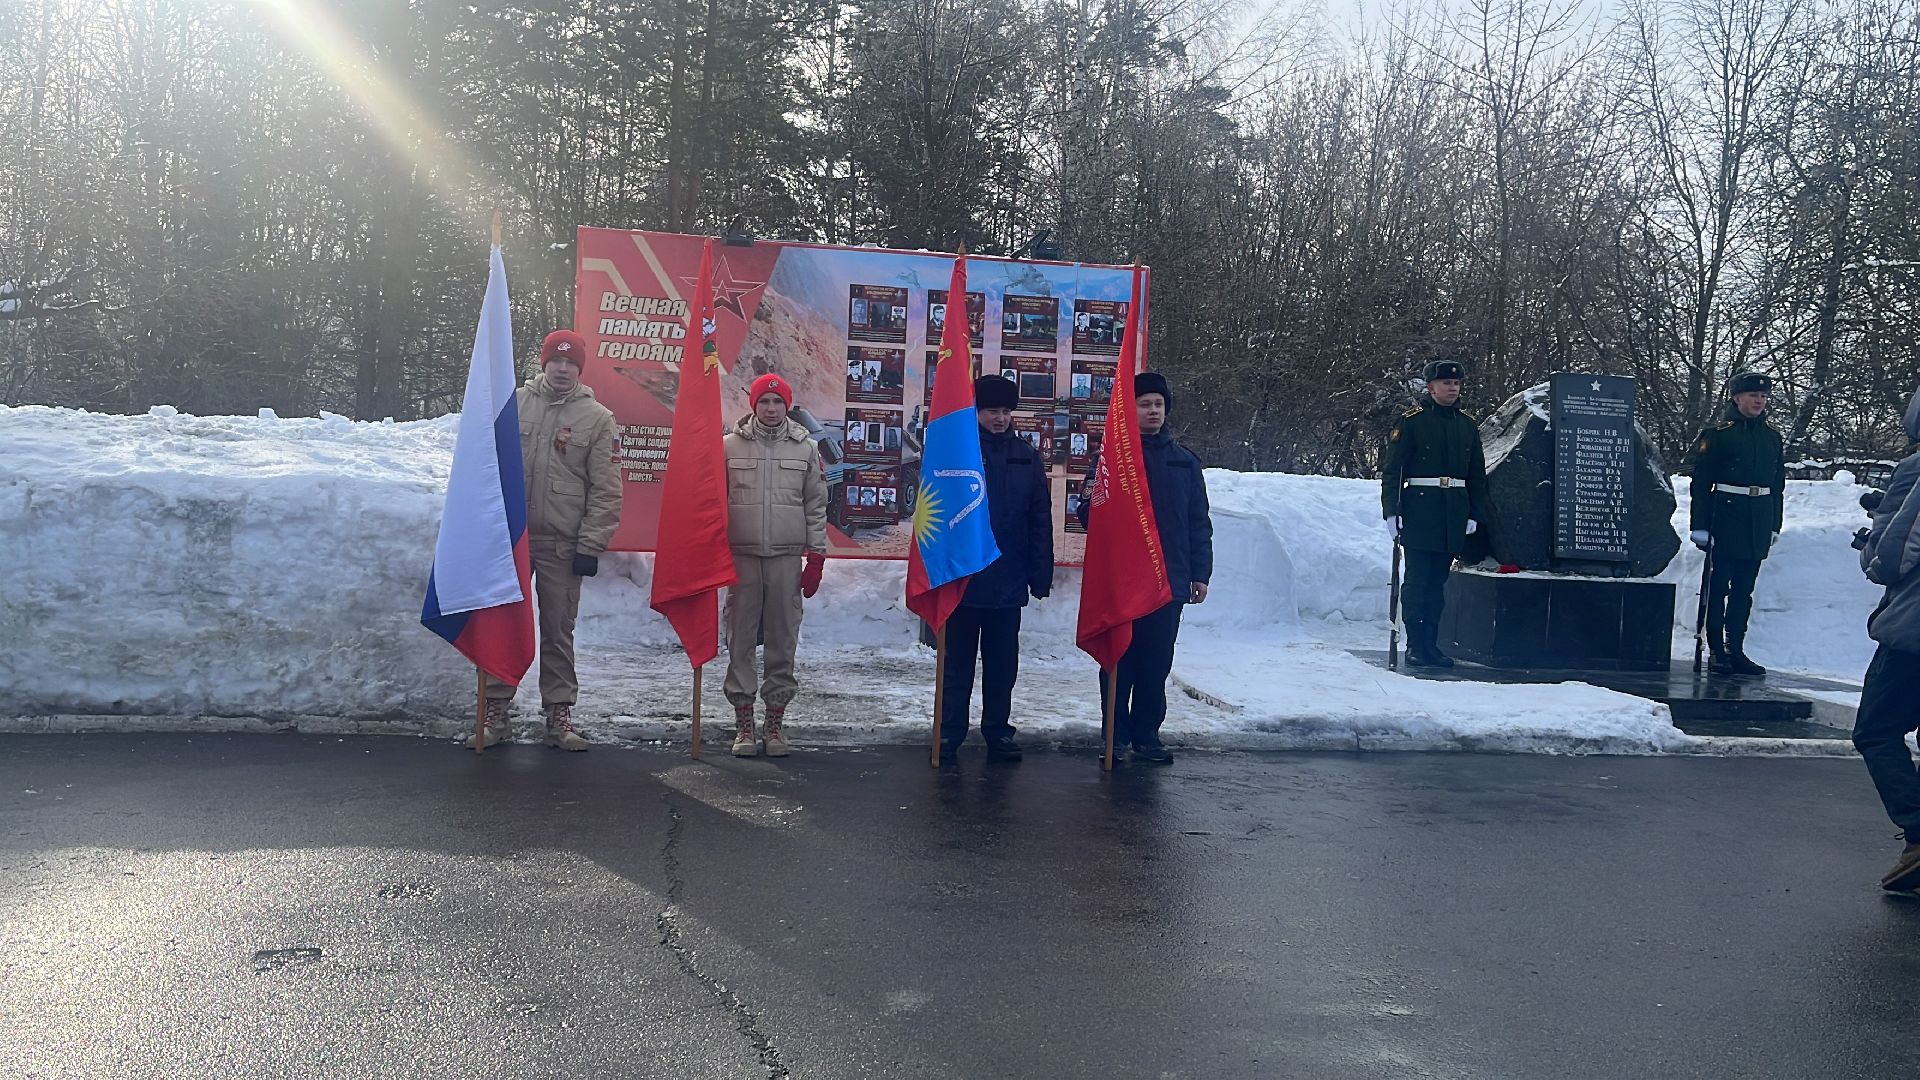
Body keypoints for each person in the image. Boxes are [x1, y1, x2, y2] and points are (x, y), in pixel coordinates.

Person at [473, 328, 623, 751]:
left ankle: (558, 712)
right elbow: (485, 466)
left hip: (562, 545)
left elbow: (607, 489)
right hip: (512, 544)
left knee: (558, 630)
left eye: (570, 363)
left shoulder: (597, 419)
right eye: (556, 361)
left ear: (579, 369)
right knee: (503, 625)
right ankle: (495, 710)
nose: (562, 369)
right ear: (544, 363)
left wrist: (591, 545)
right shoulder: (513, 404)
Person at [1077, 371, 1214, 764]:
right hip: (1123, 583)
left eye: (1158, 404)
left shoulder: (1184, 463)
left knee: (1156, 665)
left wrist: (1200, 574)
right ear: (1130, 409)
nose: (1153, 411)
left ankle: (1147, 736)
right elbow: (1087, 513)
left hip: (1167, 582)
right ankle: (1115, 736)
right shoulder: (1111, 459)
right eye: (1145, 404)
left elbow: (1197, 523)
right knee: (1120, 660)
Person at [939, 376, 1055, 765]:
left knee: (1002, 667)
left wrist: (1041, 573)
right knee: (956, 666)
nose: (1000, 418)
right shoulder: (958, 455)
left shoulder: (1026, 456)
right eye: (992, 411)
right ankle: (949, 733)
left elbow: (1040, 517)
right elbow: (936, 514)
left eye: (1006, 411)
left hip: (1008, 579)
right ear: (977, 412)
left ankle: (998, 732)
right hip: (964, 580)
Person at [724, 373, 829, 757]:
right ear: (754, 406)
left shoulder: (806, 449)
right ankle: (744, 724)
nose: (771, 409)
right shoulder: (728, 447)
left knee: (783, 642)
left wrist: (816, 555)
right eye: (764, 402)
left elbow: (816, 506)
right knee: (740, 641)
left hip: (786, 559)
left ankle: (775, 724)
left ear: (788, 406)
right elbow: (714, 505)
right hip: (742, 560)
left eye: (778, 403)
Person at [1853, 381, 1920, 892]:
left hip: (1914, 631)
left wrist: (1868, 543)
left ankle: (1919, 835)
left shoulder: (1916, 468)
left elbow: (1891, 558)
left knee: (1875, 730)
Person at [1379, 358, 1490, 668]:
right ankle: (1416, 645)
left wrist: (1473, 513)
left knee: (1438, 583)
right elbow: (1393, 471)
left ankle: (1431, 646)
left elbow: (1476, 475)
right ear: (1431, 387)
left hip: (1452, 513)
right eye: (1446, 383)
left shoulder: (1466, 424)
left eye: (1456, 384)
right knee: (1417, 582)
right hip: (1420, 511)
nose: (1452, 388)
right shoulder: (1412, 421)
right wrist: (1392, 511)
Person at [1686, 371, 1786, 677]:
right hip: (1726, 515)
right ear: (1736, 397)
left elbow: (1777, 485)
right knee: (1718, 588)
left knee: (1744, 590)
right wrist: (1700, 525)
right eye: (1753, 395)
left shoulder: (1771, 436)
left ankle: (1736, 648)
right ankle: (1716, 649)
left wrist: (1774, 525)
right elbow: (1701, 483)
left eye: (1764, 396)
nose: (1759, 401)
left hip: (1757, 518)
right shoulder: (1718, 434)